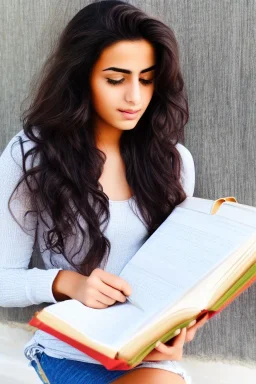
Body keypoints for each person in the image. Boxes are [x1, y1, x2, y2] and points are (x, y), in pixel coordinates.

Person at [0, 1, 209, 383]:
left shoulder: (174, 162)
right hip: (70, 349)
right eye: (116, 79)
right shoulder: (31, 155)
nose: (134, 97)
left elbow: (175, 279)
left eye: (146, 79)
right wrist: (68, 283)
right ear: (81, 77)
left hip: (144, 352)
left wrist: (182, 328)